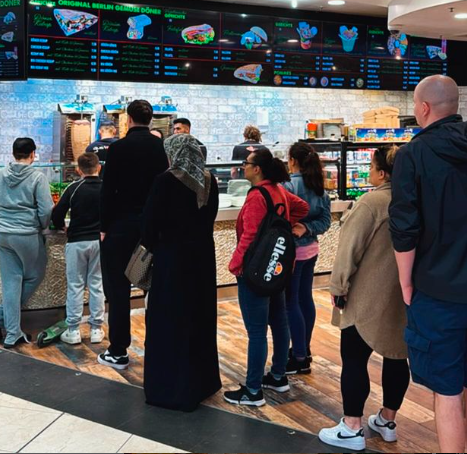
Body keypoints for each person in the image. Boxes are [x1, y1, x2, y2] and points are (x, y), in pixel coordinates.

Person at [389, 75, 467, 454]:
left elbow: (404, 229)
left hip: (436, 293)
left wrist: (406, 284)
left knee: (447, 390)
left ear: (424, 108)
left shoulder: (412, 155)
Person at [318, 145, 409, 452]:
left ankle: (352, 427)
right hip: (402, 296)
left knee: (354, 358)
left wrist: (338, 287)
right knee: (397, 356)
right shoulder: (416, 200)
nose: (369, 172)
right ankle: (387, 421)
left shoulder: (372, 202)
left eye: (371, 167)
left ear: (382, 173)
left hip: (366, 295)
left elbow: (349, 249)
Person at [142, 134, 221, 411]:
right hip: (203, 259)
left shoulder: (165, 181)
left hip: (173, 261)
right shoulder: (210, 181)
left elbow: (149, 226)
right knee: (199, 318)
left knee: (170, 321)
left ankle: (171, 389)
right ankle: (203, 382)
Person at [224, 149, 309, 407]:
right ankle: (278, 376)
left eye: (247, 163)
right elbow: (302, 207)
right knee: (279, 322)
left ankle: (253, 391)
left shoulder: (256, 196)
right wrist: (284, 225)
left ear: (257, 169)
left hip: (255, 270)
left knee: (257, 331)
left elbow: (249, 236)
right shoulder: (278, 191)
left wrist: (235, 264)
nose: (243, 167)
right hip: (277, 269)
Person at [99, 99, 169, 369]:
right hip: (153, 227)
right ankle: (158, 349)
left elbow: (108, 190)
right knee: (156, 288)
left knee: (117, 289)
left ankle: (118, 350)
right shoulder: (161, 147)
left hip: (121, 226)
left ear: (128, 119)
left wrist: (104, 226)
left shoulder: (118, 148)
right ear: (151, 120)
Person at [0, 138, 53, 349]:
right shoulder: (38, 177)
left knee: (11, 281)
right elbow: (46, 209)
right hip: (26, 234)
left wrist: (1, 218)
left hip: (2, 234)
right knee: (35, 275)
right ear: (32, 154)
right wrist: (40, 225)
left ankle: (12, 333)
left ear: (13, 154)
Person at [282, 142, 331, 375]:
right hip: (312, 250)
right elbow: (325, 222)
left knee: (290, 302)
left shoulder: (287, 187)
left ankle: (299, 356)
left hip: (294, 253)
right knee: (305, 299)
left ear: (292, 160)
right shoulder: (319, 187)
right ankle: (305, 349)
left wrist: (300, 227)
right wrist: (309, 228)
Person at [51, 152, 105, 345]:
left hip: (76, 241)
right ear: (99, 167)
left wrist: (61, 226)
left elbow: (57, 213)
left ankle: (73, 330)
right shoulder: (107, 188)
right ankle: (96, 329)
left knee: (75, 285)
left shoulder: (73, 188)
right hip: (99, 242)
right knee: (97, 284)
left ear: (78, 170)